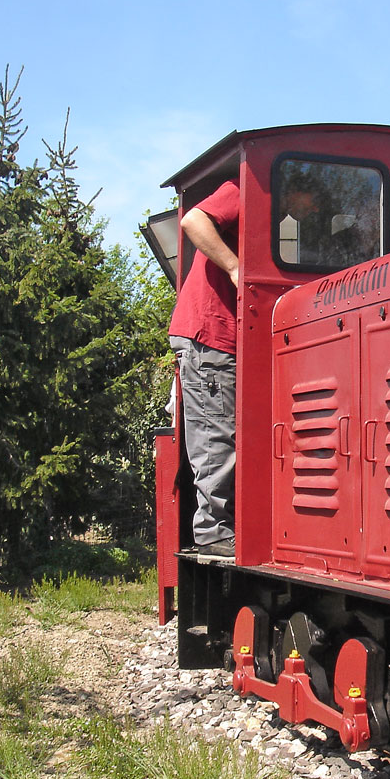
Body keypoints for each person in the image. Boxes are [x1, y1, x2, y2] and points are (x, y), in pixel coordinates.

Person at [168, 179, 240, 557]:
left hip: (231, 337)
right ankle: (213, 531)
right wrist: (234, 267)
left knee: (230, 430)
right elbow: (193, 220)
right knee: (217, 430)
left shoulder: (279, 219)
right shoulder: (245, 190)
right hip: (208, 332)